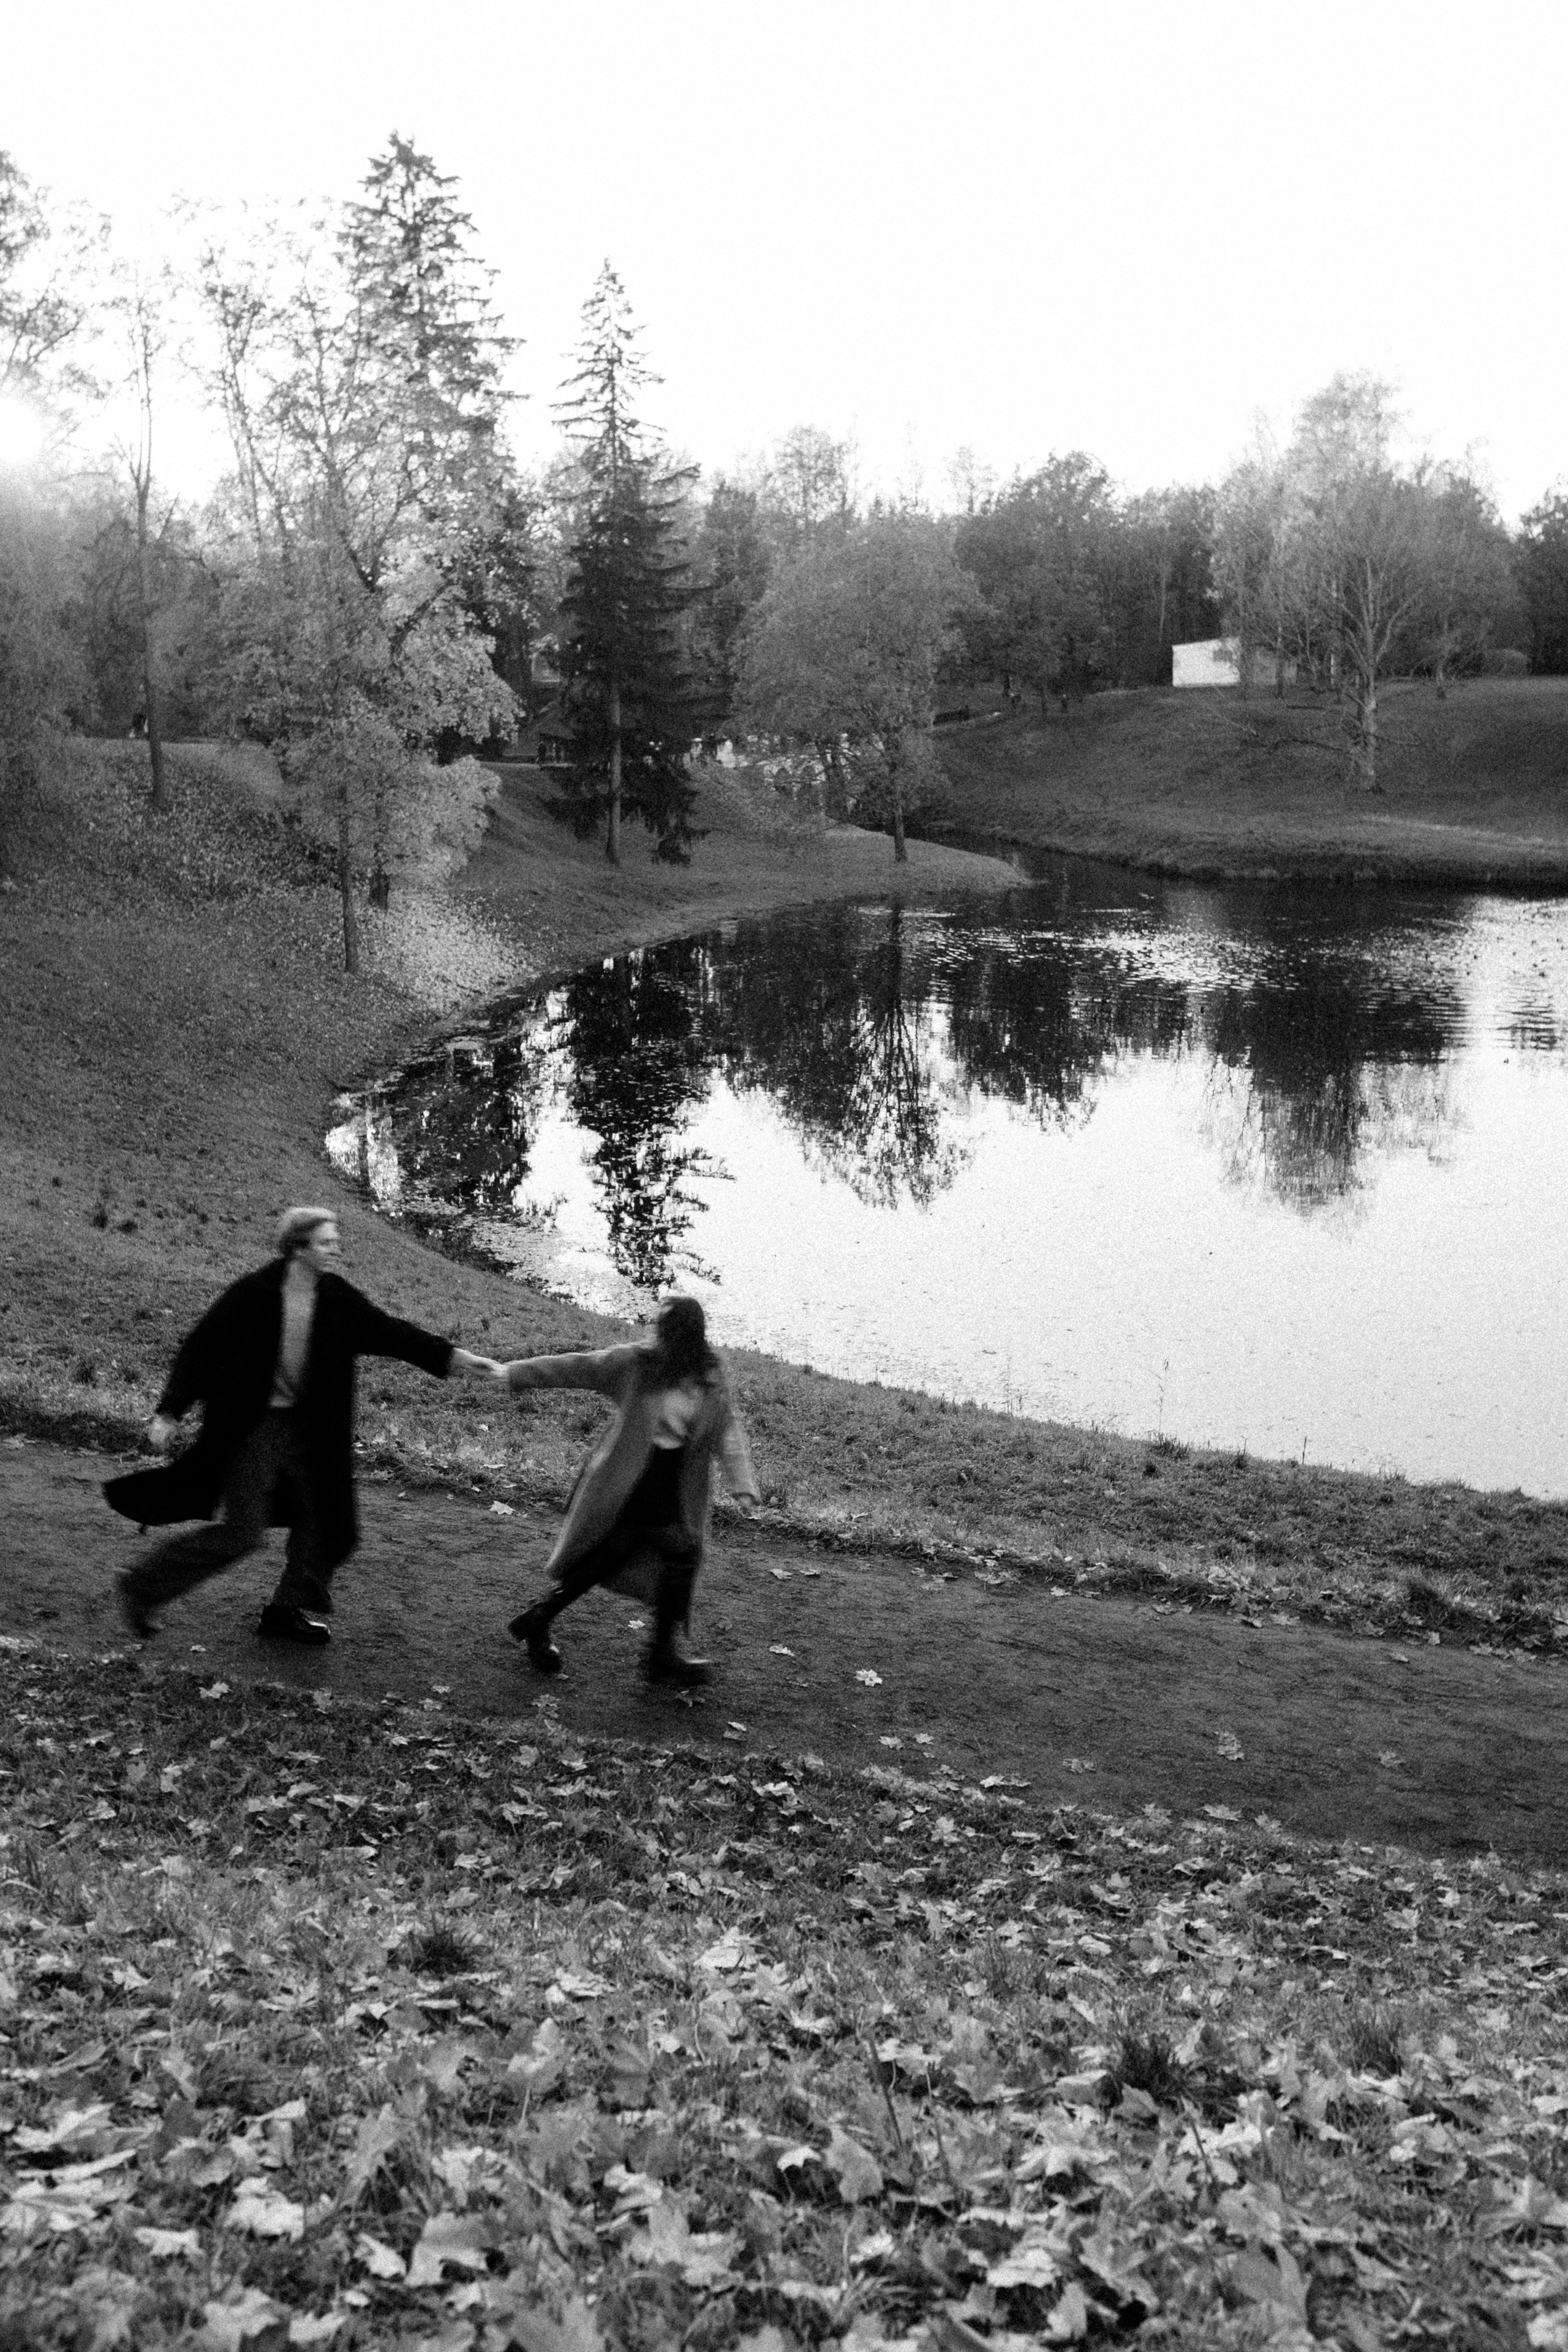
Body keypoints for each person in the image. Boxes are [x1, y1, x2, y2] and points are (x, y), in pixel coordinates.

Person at [104, 1206, 497, 1644]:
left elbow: (393, 1334)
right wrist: (170, 1411)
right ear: (298, 1247)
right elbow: (201, 1348)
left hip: (311, 1431)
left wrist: (455, 1359)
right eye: (326, 1243)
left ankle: (283, 1611)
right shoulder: (254, 1294)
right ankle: (142, 1587)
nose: (336, 1250)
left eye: (335, 1242)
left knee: (326, 1520)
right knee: (242, 1533)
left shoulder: (336, 1298)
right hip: (253, 1427)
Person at [498, 1296, 760, 1687]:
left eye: (670, 1334)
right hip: (631, 1479)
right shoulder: (638, 1364)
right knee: (682, 1552)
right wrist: (513, 1373)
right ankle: (660, 1656)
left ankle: (540, 1619)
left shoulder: (709, 1373)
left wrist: (743, 1484)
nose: (661, 1339)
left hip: (674, 1480)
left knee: (613, 1553)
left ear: (689, 1337)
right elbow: (578, 1367)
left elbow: (727, 1427)